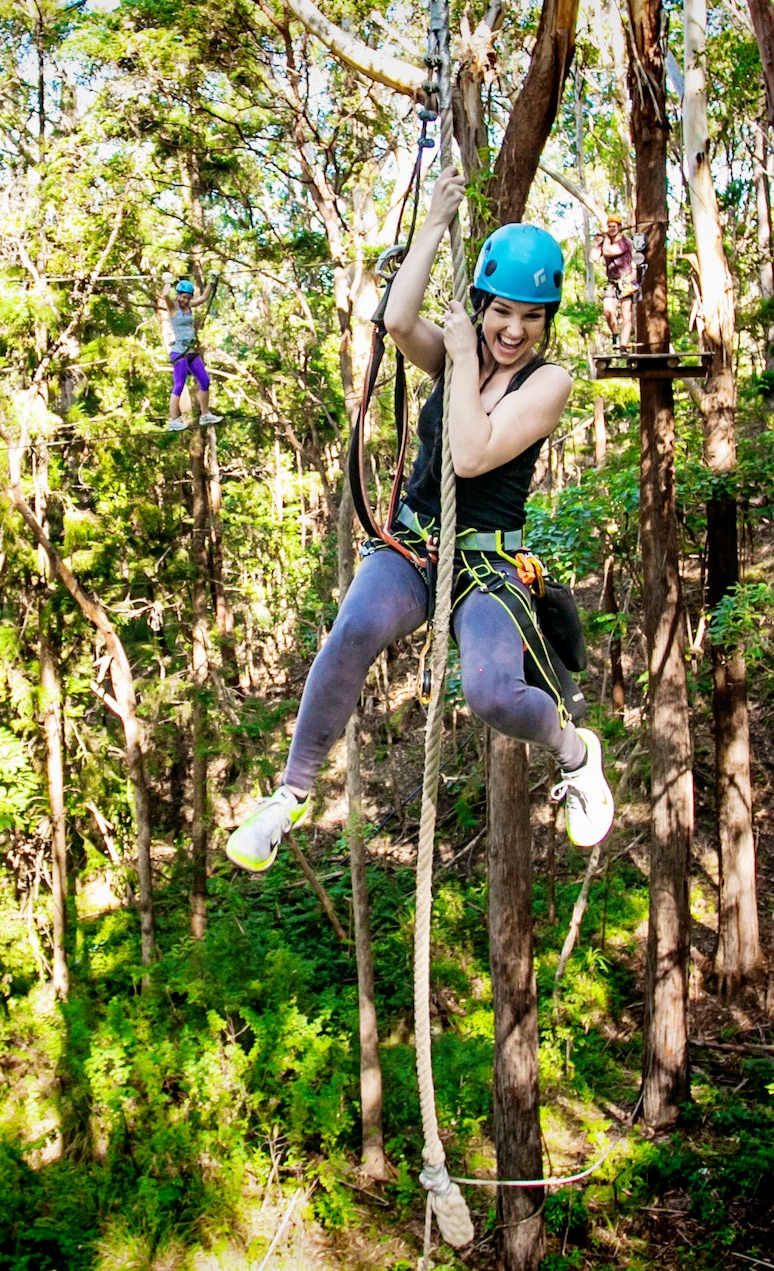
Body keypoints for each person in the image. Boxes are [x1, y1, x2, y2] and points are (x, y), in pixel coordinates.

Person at [226, 168, 614, 873]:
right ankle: (289, 795)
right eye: (501, 311)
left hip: (490, 563)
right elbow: (398, 320)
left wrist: (465, 354)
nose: (514, 329)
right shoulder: (455, 353)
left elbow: (471, 455)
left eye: (532, 317)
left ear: (547, 322)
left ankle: (575, 753)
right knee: (355, 626)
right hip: (416, 543)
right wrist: (435, 223)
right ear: (482, 303)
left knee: (495, 694)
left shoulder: (547, 383)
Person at [162, 274, 221, 431]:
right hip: (179, 353)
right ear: (179, 295)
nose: (186, 301)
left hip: (191, 352)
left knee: (205, 382)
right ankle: (174, 420)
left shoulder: (189, 306)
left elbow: (203, 298)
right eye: (184, 297)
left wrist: (211, 281)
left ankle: (205, 414)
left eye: (189, 298)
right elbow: (165, 295)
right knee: (179, 385)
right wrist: (167, 282)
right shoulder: (173, 307)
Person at [598, 216, 635, 350]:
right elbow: (592, 257)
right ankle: (615, 335)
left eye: (614, 226)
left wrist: (606, 238)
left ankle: (624, 345)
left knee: (626, 314)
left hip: (626, 280)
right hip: (611, 281)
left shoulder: (625, 242)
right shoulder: (604, 243)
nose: (611, 229)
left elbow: (608, 251)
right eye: (609, 226)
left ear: (619, 228)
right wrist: (598, 240)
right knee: (608, 310)